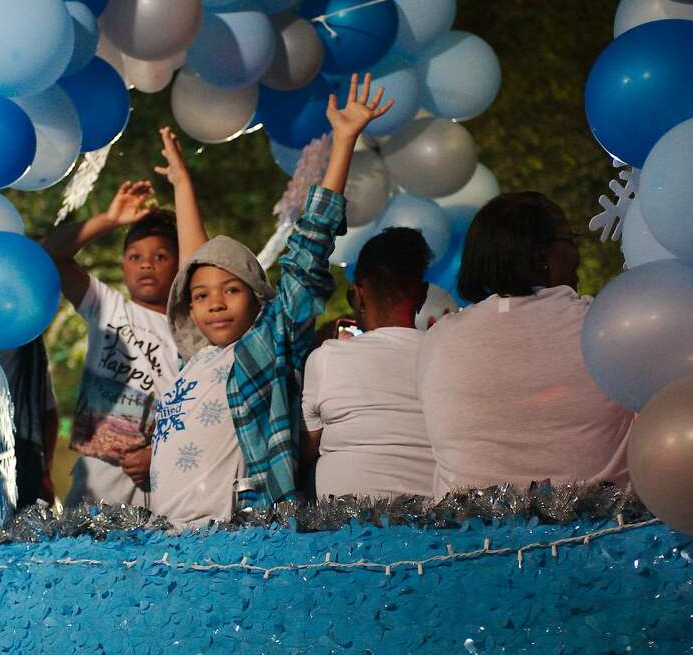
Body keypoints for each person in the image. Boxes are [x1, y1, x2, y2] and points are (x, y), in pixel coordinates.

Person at [149, 73, 394, 526]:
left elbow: (308, 249)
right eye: (201, 297)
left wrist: (342, 141)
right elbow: (195, 263)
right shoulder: (197, 360)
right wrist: (182, 184)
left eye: (232, 290)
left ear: (257, 298)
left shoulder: (264, 344)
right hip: (169, 542)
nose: (216, 303)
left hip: (235, 539)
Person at [416, 192, 633, 498]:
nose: (577, 254)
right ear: (542, 256)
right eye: (570, 239)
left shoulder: (439, 340)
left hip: (473, 539)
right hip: (607, 539)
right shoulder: (607, 325)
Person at [42, 128, 206, 508]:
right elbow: (51, 257)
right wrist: (109, 220)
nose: (146, 263)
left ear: (181, 263)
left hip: (161, 485)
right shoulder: (109, 307)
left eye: (161, 256)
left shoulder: (192, 326)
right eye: (134, 256)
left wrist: (159, 452)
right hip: (93, 492)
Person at [300, 227, 439, 499]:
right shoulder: (445, 355)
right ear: (422, 296)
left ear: (358, 295)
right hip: (435, 523)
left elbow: (303, 453)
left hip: (342, 529)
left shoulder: (328, 358)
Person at [0, 338, 59, 509]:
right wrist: (45, 471)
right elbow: (50, 413)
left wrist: (45, 472)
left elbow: (49, 413)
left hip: (21, 451)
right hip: (23, 448)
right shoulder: (31, 344)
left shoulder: (30, 345)